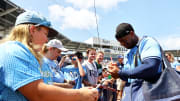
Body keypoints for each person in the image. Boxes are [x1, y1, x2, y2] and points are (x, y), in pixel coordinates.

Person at [0, 11, 98, 101]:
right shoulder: (12, 50)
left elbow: (47, 85)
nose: (46, 40)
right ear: (32, 30)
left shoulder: (34, 57)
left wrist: (67, 87)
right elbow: (38, 93)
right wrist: (80, 94)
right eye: (45, 34)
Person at [108, 23, 162, 101]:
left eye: (124, 41)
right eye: (120, 42)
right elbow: (129, 76)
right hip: (131, 93)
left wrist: (121, 73)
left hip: (149, 92)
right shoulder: (127, 53)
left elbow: (151, 67)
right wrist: (115, 73)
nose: (123, 44)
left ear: (132, 33)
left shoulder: (147, 42)